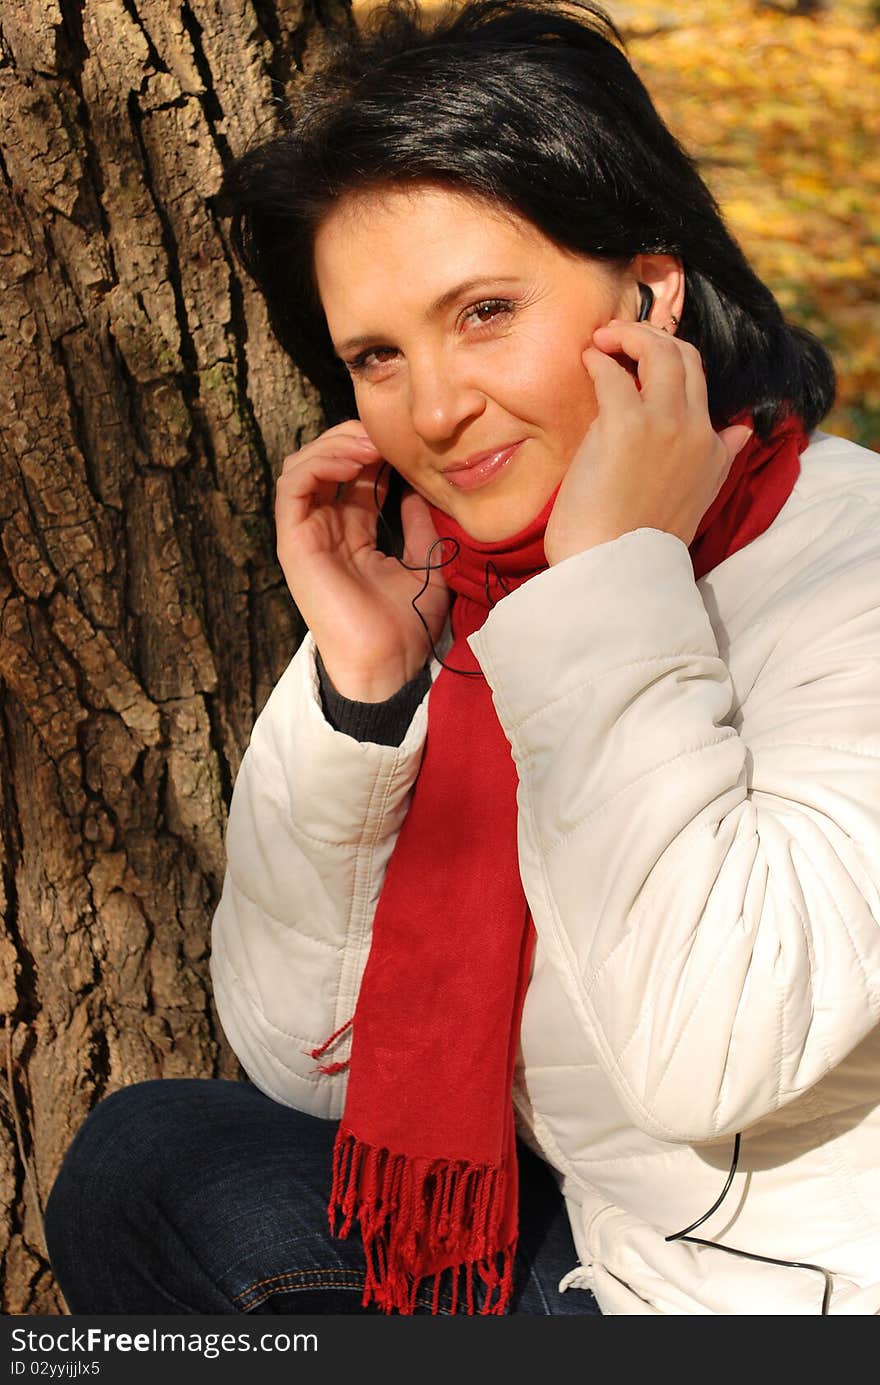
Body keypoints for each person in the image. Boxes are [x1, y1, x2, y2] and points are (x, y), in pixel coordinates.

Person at [44, 0, 880, 1317]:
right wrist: (361, 695)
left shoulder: (845, 568)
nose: (432, 409)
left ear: (649, 294)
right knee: (154, 1160)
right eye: (377, 354)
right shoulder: (487, 599)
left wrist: (614, 586)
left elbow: (713, 1051)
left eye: (485, 310)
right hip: (605, 1262)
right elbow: (309, 1074)